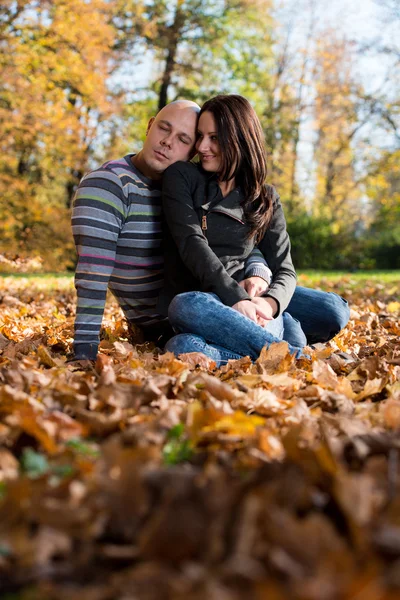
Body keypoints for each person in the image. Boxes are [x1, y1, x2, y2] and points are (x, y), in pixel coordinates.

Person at [71, 100, 273, 362]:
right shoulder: (108, 185)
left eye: (183, 139)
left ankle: (272, 346)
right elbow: (92, 273)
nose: (167, 141)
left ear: (193, 152)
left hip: (224, 299)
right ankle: (283, 351)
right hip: (175, 316)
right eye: (163, 129)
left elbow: (241, 241)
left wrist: (257, 271)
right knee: (185, 334)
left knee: (329, 309)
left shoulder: (196, 186)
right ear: (150, 126)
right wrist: (84, 351)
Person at [158, 95, 350, 366]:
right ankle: (294, 353)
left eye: (214, 138)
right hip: (208, 302)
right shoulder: (182, 177)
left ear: (239, 139)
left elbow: (285, 269)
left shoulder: (265, 197)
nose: (202, 146)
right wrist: (236, 299)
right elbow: (191, 243)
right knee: (183, 310)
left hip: (252, 303)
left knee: (334, 309)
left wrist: (268, 303)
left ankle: (272, 335)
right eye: (200, 136)